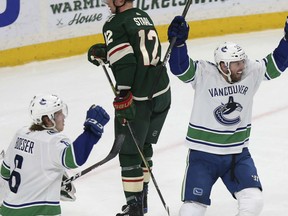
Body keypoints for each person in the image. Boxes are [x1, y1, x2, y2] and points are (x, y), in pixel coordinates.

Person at [167, 16, 288, 216]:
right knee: (192, 210)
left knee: (254, 201)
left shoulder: (251, 71)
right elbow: (180, 68)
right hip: (203, 154)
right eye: (236, 63)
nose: (241, 66)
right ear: (223, 65)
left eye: (241, 61)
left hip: (237, 154)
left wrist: (287, 40)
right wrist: (178, 44)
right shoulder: (204, 73)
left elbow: (277, 64)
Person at [87, 0, 171, 215]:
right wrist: (107, 52)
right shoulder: (142, 15)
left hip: (138, 97)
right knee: (144, 148)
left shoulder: (114, 24)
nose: (106, 1)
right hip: (161, 91)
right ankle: (142, 201)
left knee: (129, 152)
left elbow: (126, 62)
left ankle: (134, 206)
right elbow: (138, 50)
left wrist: (124, 94)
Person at [0, 94, 110, 216]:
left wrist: (44, 183)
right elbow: (74, 159)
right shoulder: (53, 141)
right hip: (37, 212)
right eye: (58, 114)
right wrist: (91, 132)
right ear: (47, 119)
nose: (63, 117)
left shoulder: (21, 133)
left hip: (7, 210)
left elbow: (5, 172)